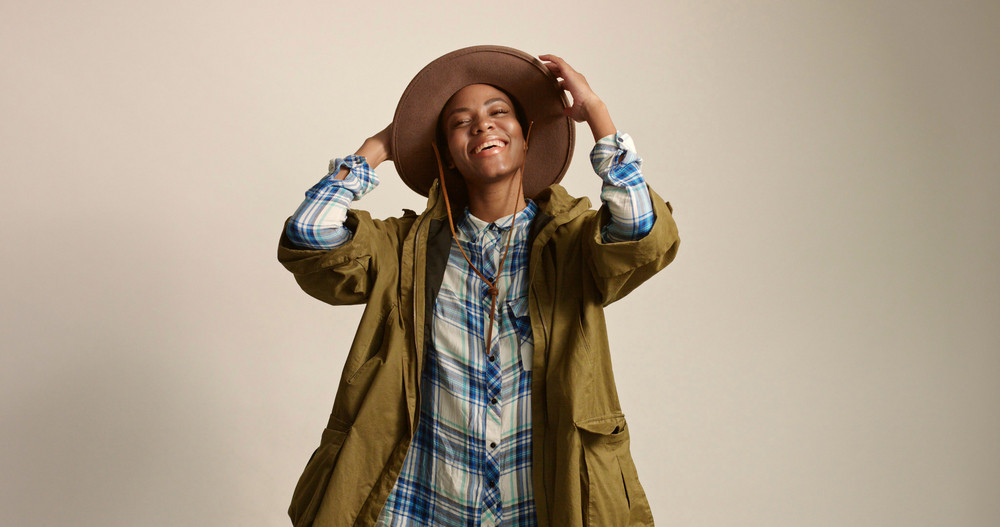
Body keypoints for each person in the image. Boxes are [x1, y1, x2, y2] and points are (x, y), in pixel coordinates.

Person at [278, 45, 679, 527]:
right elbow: (310, 234)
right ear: (446, 152)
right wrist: (382, 145)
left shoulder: (573, 241)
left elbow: (639, 230)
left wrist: (595, 110)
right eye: (459, 122)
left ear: (526, 135)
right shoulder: (404, 247)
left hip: (544, 500)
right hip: (420, 501)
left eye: (499, 112)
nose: (482, 125)